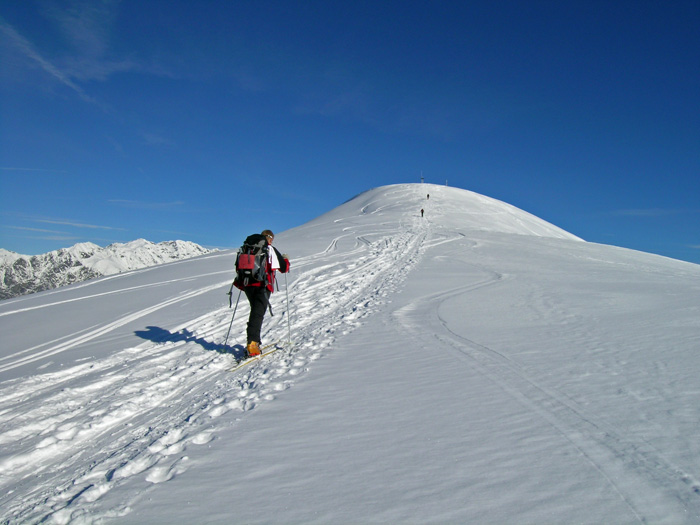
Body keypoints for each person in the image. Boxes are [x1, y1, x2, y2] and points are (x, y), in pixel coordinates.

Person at [235, 230, 290, 356]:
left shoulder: (248, 248)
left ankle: (254, 341)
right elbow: (283, 268)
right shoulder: (269, 249)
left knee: (255, 311)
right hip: (262, 285)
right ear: (269, 239)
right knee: (257, 313)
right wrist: (286, 260)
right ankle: (253, 344)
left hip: (247, 284)